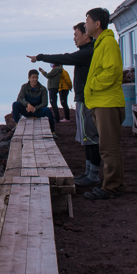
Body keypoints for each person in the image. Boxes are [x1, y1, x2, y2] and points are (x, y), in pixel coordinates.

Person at [28, 23, 99, 187]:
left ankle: (93, 175)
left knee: (91, 138)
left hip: (88, 99)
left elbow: (64, 58)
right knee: (86, 138)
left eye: (76, 35)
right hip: (83, 98)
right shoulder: (86, 52)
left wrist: (40, 56)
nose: (74, 38)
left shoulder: (88, 52)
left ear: (85, 35)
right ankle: (89, 172)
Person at [82, 7, 126, 201]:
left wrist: (91, 84)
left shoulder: (107, 43)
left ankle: (111, 187)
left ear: (97, 24)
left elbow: (112, 71)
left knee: (108, 148)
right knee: (107, 147)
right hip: (101, 102)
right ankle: (113, 184)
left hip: (107, 103)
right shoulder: (101, 43)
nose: (85, 25)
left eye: (87, 21)